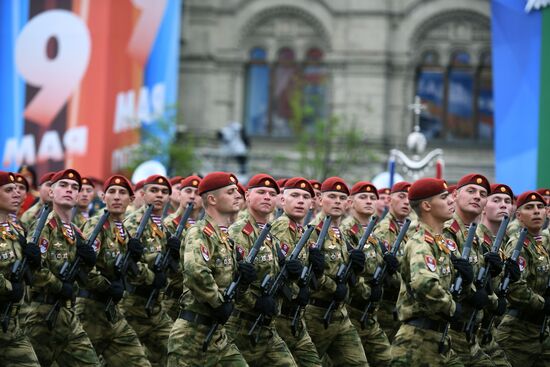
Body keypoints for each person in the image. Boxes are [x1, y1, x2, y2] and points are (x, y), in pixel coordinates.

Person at [167, 171, 253, 366]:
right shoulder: (199, 232)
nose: (238, 195)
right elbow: (195, 272)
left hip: (217, 334)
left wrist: (243, 282)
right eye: (230, 192)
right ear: (212, 199)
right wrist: (218, 303)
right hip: (192, 335)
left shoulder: (225, 239)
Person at [25, 168, 101, 366]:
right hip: (42, 314)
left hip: (68, 314)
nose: (69, 190)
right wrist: (59, 286)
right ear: (51, 192)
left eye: (75, 187)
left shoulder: (76, 232)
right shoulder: (44, 225)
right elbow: (34, 269)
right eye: (63, 185)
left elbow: (83, 274)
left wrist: (89, 263)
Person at [390, 178, 466, 366]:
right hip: (418, 343)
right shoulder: (420, 243)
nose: (451, 201)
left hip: (438, 339)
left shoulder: (443, 242)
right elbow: (425, 284)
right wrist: (453, 308)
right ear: (426, 205)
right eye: (444, 197)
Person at [77, 175, 151, 366]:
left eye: (122, 193)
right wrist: (107, 286)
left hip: (112, 311)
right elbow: (83, 268)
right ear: (103, 197)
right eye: (112, 192)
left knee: (138, 361)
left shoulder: (123, 231)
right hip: (90, 309)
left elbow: (130, 269)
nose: (117, 197)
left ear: (131, 200)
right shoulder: (97, 225)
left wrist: (141, 267)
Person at [226, 173, 298, 366]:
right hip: (241, 324)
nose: (267, 197)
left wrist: (293, 276)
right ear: (247, 196)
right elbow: (229, 281)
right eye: (261, 192)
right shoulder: (238, 232)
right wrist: (255, 302)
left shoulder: (271, 233)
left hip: (268, 325)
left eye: (272, 194)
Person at [304, 177, 369, 366]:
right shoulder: (311, 232)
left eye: (342, 198)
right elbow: (310, 274)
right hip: (315, 313)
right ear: (319, 199)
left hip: (340, 313)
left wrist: (357, 269)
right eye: (332, 196)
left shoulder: (344, 234)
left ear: (348, 203)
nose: (337, 201)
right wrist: (333, 287)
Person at [443, 174, 498, 367]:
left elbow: (482, 287)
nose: (477, 197)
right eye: (471, 191)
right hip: (447, 333)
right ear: (455, 195)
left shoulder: (477, 236)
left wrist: (492, 292)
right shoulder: (444, 230)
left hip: (471, 333)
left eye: (483, 194)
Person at [270, 177, 323, 367]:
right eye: (294, 195)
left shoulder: (302, 232)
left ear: (311, 204)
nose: (300, 200)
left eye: (305, 197)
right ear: (282, 201)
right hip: (279, 317)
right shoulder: (281, 227)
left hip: (296, 317)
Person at [122, 174, 174, 366]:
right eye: (154, 190)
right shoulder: (133, 224)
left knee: (176, 349)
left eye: (164, 192)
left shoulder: (164, 227)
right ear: (142, 194)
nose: (159, 195)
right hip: (132, 305)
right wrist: (152, 277)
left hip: (156, 306)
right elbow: (127, 263)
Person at [341, 181, 395, 366]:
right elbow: (345, 272)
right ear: (350, 202)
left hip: (370, 313)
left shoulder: (373, 232)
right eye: (363, 197)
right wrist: (366, 290)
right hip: (352, 311)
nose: (369, 201)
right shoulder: (345, 231)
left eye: (373, 198)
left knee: (386, 360)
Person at [495, 191, 550, 366]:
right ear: (519, 216)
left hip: (538, 329)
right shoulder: (518, 245)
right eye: (529, 207)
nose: (536, 211)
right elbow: (515, 288)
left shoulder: (538, 245)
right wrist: (543, 304)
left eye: (540, 207)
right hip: (518, 333)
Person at [0, 171, 41, 366]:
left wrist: (33, 262)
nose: (16, 194)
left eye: (17, 189)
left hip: (12, 324)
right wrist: (9, 288)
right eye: (8, 190)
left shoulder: (15, 229)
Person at [476, 183, 515, 367]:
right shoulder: (474, 239)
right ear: (484, 206)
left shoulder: (507, 244)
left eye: (508, 201)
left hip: (490, 329)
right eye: (496, 200)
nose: (503, 205)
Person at [373, 181, 412, 341]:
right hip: (386, 306)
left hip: (400, 305)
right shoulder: (384, 229)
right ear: (389, 200)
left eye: (409, 198)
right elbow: (382, 270)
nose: (406, 202)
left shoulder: (409, 229)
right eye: (401, 197)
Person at [163, 175, 203, 320]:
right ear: (179, 194)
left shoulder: (203, 228)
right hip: (170, 298)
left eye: (197, 193)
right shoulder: (168, 225)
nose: (192, 196)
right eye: (188, 191)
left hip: (194, 300)